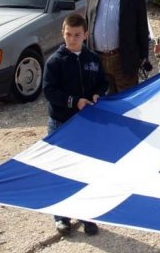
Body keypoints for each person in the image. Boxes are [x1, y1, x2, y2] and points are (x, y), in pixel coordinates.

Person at [42, 13, 107, 235]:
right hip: (61, 123)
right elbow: (49, 91)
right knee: (61, 170)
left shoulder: (93, 59)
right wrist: (73, 101)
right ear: (63, 33)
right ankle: (61, 217)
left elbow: (102, 82)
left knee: (86, 170)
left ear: (86, 34)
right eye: (68, 34)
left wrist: (99, 94)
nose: (72, 39)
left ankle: (86, 215)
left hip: (86, 124)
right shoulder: (55, 61)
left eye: (77, 35)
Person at [87, 0, 150, 93]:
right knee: (104, 102)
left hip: (123, 59)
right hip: (99, 60)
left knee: (127, 102)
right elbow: (88, 26)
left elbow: (142, 29)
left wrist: (143, 56)